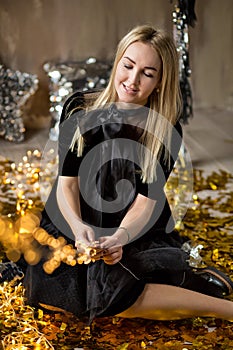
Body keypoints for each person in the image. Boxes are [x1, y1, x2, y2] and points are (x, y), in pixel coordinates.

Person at [23, 24, 233, 323]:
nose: (133, 81)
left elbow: (146, 203)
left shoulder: (165, 130)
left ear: (160, 81)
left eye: (148, 73)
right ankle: (184, 284)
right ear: (118, 61)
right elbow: (67, 185)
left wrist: (120, 236)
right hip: (74, 211)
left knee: (112, 294)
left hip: (132, 220)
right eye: (128, 66)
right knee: (57, 299)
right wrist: (79, 229)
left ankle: (223, 308)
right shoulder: (79, 109)